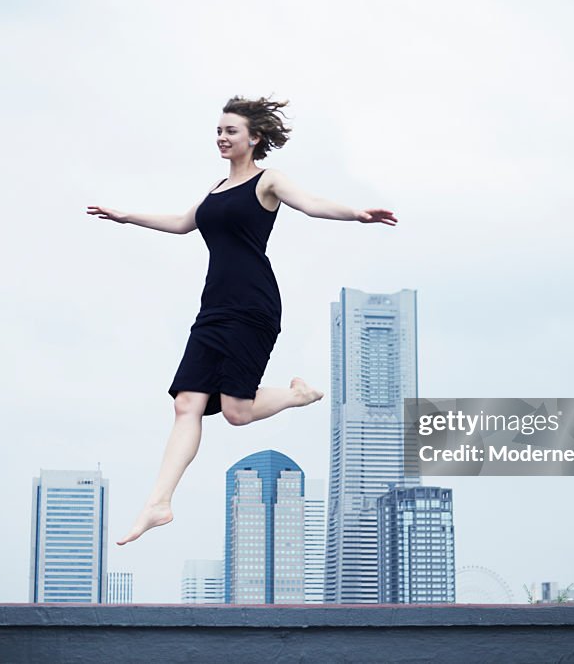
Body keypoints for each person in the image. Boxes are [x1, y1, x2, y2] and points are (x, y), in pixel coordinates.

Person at [86, 96, 397, 545]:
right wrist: (125, 216)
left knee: (235, 412)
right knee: (185, 404)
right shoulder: (215, 190)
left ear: (254, 138)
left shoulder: (268, 181)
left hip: (252, 306)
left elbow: (310, 203)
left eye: (230, 131)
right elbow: (181, 222)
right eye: (218, 130)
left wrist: (356, 213)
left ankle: (297, 395)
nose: (222, 137)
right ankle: (159, 502)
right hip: (213, 307)